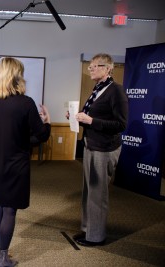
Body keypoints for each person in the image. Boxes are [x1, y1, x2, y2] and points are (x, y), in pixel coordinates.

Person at [0, 57, 51, 266]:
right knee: (9, 210)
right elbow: (41, 136)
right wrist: (47, 121)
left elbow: (0, 131)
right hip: (16, 165)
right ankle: (3, 259)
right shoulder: (26, 102)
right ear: (16, 76)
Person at [70, 53, 128, 246]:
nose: (91, 69)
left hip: (104, 149)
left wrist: (91, 121)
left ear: (108, 68)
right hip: (90, 145)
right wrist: (78, 117)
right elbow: (91, 115)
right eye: (90, 66)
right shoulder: (98, 89)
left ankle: (96, 237)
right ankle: (88, 230)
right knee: (89, 192)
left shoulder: (116, 90)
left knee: (98, 194)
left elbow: (120, 124)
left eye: (96, 66)